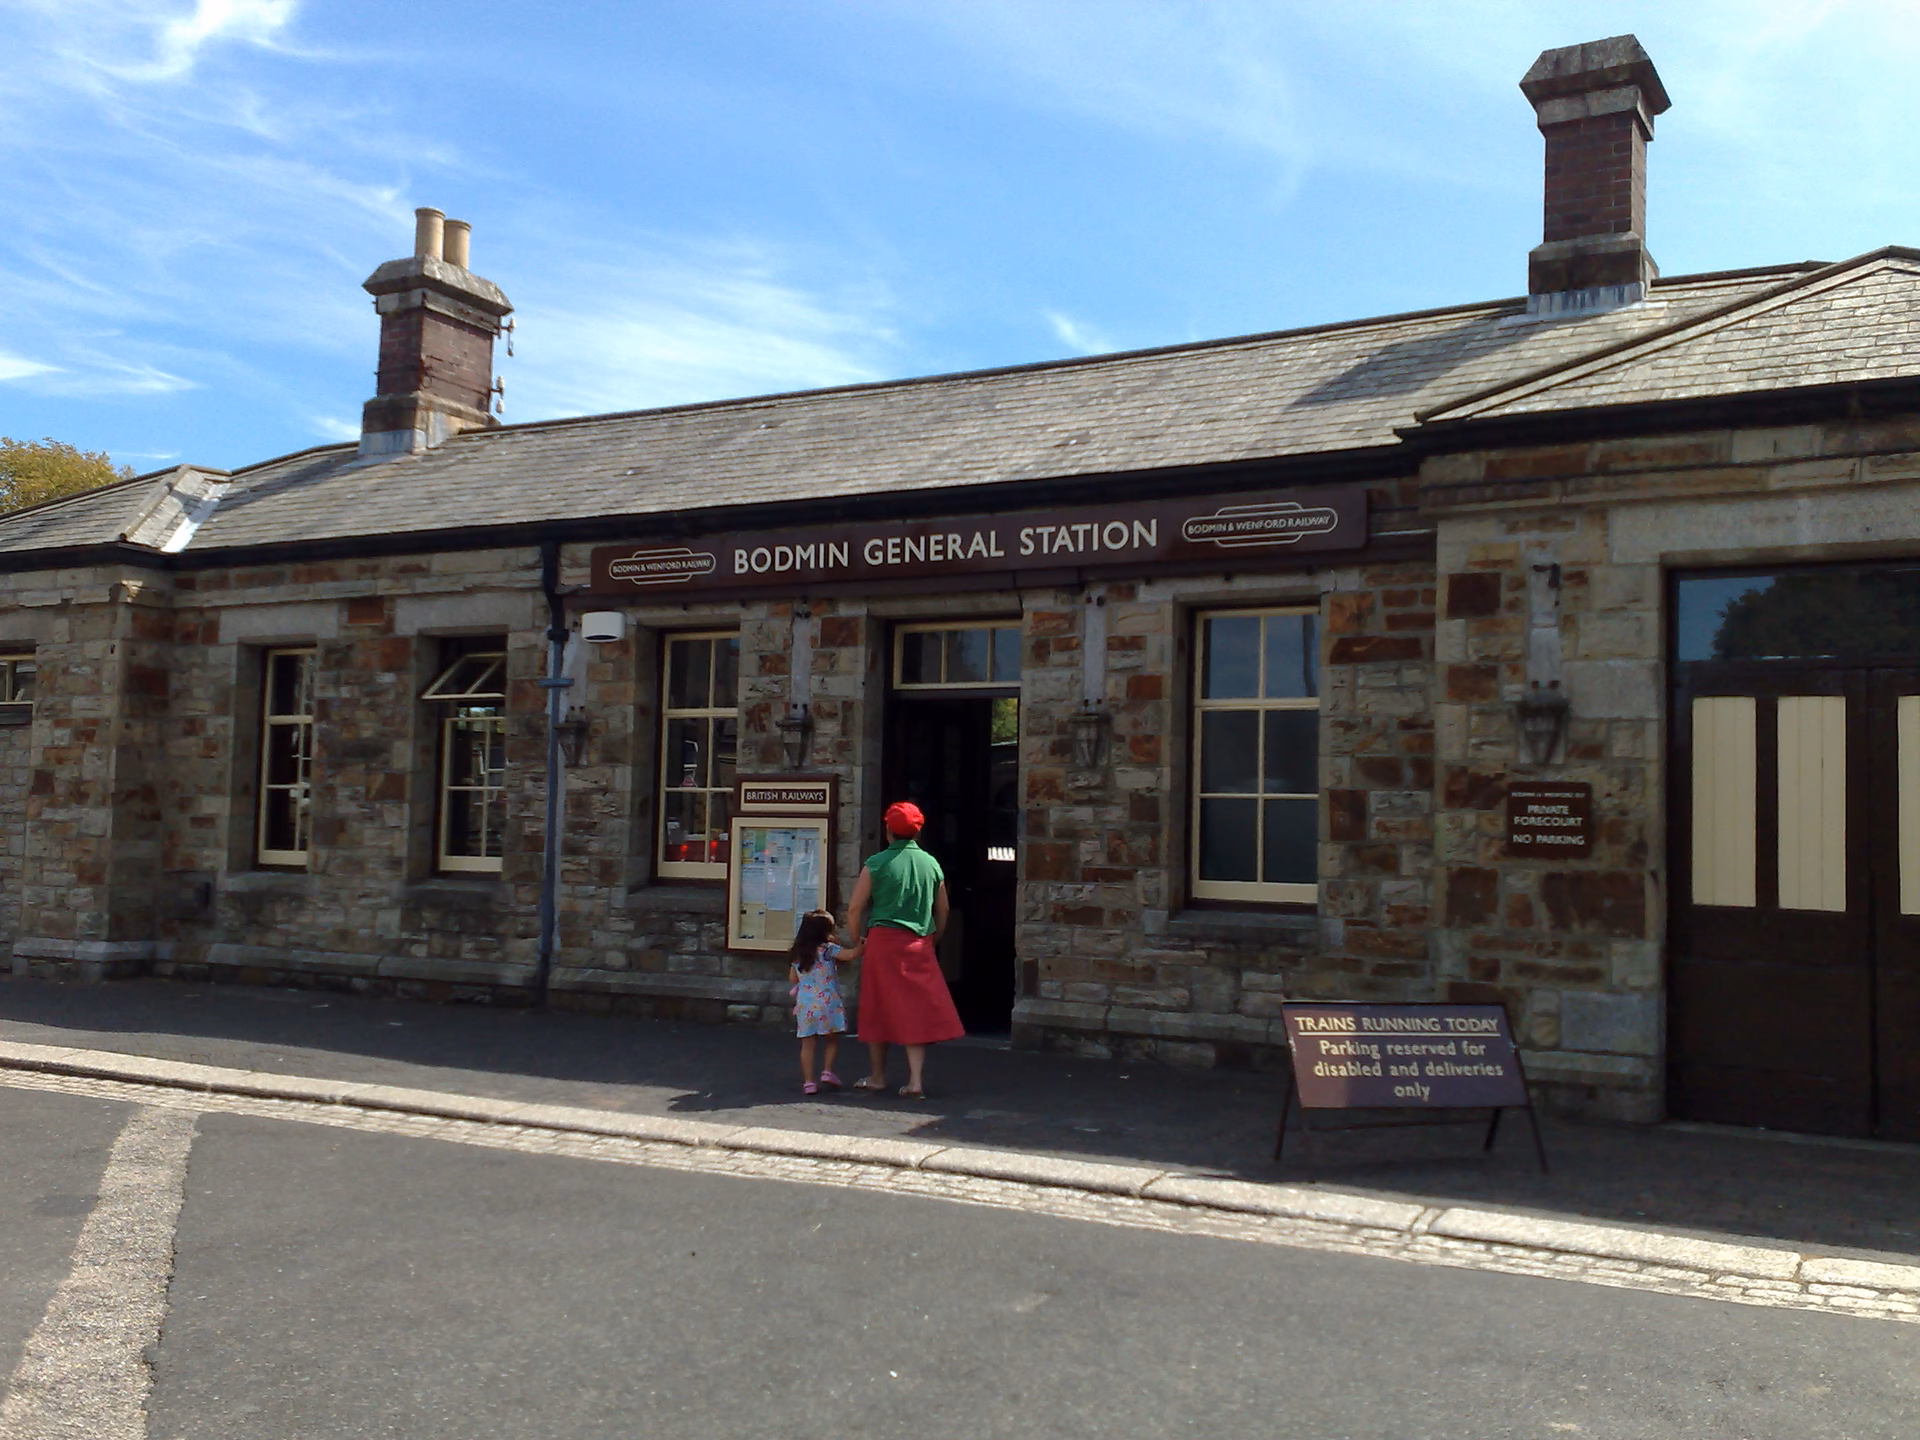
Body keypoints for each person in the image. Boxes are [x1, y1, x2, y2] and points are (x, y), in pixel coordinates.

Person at [848, 801, 964, 1098]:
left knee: (877, 1007)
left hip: (882, 943)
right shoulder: (931, 863)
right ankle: (915, 1081)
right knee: (915, 1010)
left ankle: (878, 1076)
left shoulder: (876, 863)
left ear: (888, 829)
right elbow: (943, 908)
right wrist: (934, 938)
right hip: (919, 942)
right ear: (918, 831)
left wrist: (857, 939)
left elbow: (855, 908)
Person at [789, 910, 860, 1095]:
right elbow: (851, 955)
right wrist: (862, 945)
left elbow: (793, 979)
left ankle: (809, 1082)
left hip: (805, 1005)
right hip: (828, 1002)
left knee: (807, 1044)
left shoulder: (799, 953)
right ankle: (827, 1071)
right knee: (832, 1039)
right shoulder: (828, 949)